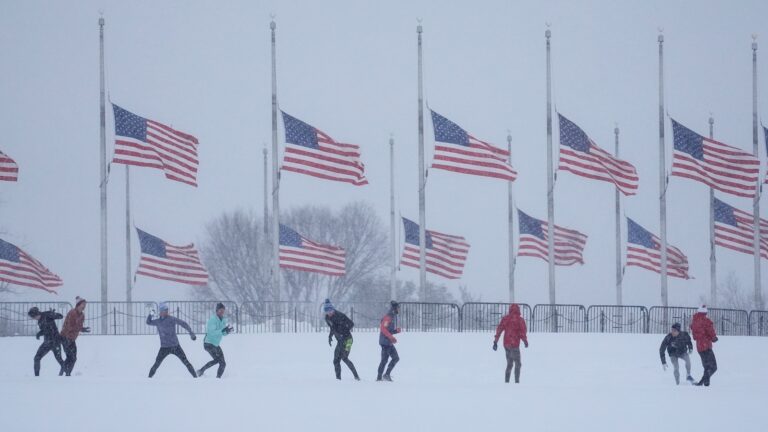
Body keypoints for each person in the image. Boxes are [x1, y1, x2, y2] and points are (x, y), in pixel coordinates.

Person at [146, 302, 198, 378]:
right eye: (164, 310)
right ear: (160, 312)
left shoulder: (172, 319)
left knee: (186, 362)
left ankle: (196, 378)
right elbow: (148, 322)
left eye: (167, 310)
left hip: (175, 346)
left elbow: (184, 324)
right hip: (164, 347)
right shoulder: (158, 321)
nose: (166, 312)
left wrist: (191, 333)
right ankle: (148, 379)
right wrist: (151, 314)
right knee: (156, 364)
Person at [323, 299, 360, 381]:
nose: (329, 312)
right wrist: (330, 336)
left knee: (344, 358)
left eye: (330, 310)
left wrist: (343, 331)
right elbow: (332, 327)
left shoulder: (340, 315)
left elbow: (351, 324)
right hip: (340, 341)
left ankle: (357, 377)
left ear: (333, 309)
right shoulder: (327, 318)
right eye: (327, 311)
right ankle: (338, 379)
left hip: (348, 340)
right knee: (336, 360)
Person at [493, 304, 529, 384]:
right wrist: (525, 341)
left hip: (506, 344)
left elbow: (499, 329)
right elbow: (522, 332)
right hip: (514, 344)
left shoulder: (506, 319)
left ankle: (506, 381)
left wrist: (495, 341)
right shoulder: (520, 320)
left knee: (509, 363)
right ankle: (516, 382)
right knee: (518, 363)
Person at [197, 303, 233, 378]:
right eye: (220, 310)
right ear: (216, 311)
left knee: (222, 363)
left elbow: (222, 333)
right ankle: (204, 372)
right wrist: (222, 330)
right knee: (219, 361)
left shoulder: (223, 320)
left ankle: (211, 375)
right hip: (208, 344)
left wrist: (227, 331)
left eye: (223, 311)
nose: (222, 312)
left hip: (215, 344)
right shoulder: (212, 320)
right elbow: (212, 333)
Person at [28, 306, 65, 377]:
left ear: (36, 314)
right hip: (47, 343)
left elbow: (61, 316)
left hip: (55, 341)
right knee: (37, 358)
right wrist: (39, 334)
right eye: (32, 318)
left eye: (33, 317)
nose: (34, 319)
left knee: (59, 359)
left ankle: (65, 372)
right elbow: (45, 330)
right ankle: (36, 377)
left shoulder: (47, 315)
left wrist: (53, 314)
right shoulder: (39, 322)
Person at [59, 297, 91, 376]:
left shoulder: (82, 315)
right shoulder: (72, 313)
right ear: (78, 305)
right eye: (83, 304)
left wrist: (83, 328)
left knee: (73, 358)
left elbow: (78, 326)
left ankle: (66, 373)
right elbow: (70, 326)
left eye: (85, 304)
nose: (84, 306)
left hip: (72, 339)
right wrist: (81, 329)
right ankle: (64, 374)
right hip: (65, 337)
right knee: (70, 357)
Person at [691, 305, 718, 387]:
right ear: (705, 312)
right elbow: (710, 331)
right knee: (713, 367)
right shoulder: (706, 321)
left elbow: (695, 335)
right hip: (706, 345)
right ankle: (703, 382)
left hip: (699, 347)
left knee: (706, 366)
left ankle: (704, 383)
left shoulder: (694, 321)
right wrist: (714, 338)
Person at [377, 300, 401, 382]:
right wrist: (391, 337)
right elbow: (383, 329)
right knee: (384, 360)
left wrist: (395, 331)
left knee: (396, 358)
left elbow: (388, 330)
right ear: (394, 308)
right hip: (385, 342)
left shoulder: (392, 316)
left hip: (388, 342)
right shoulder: (388, 317)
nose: (399, 310)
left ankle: (386, 375)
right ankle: (379, 378)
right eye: (398, 308)